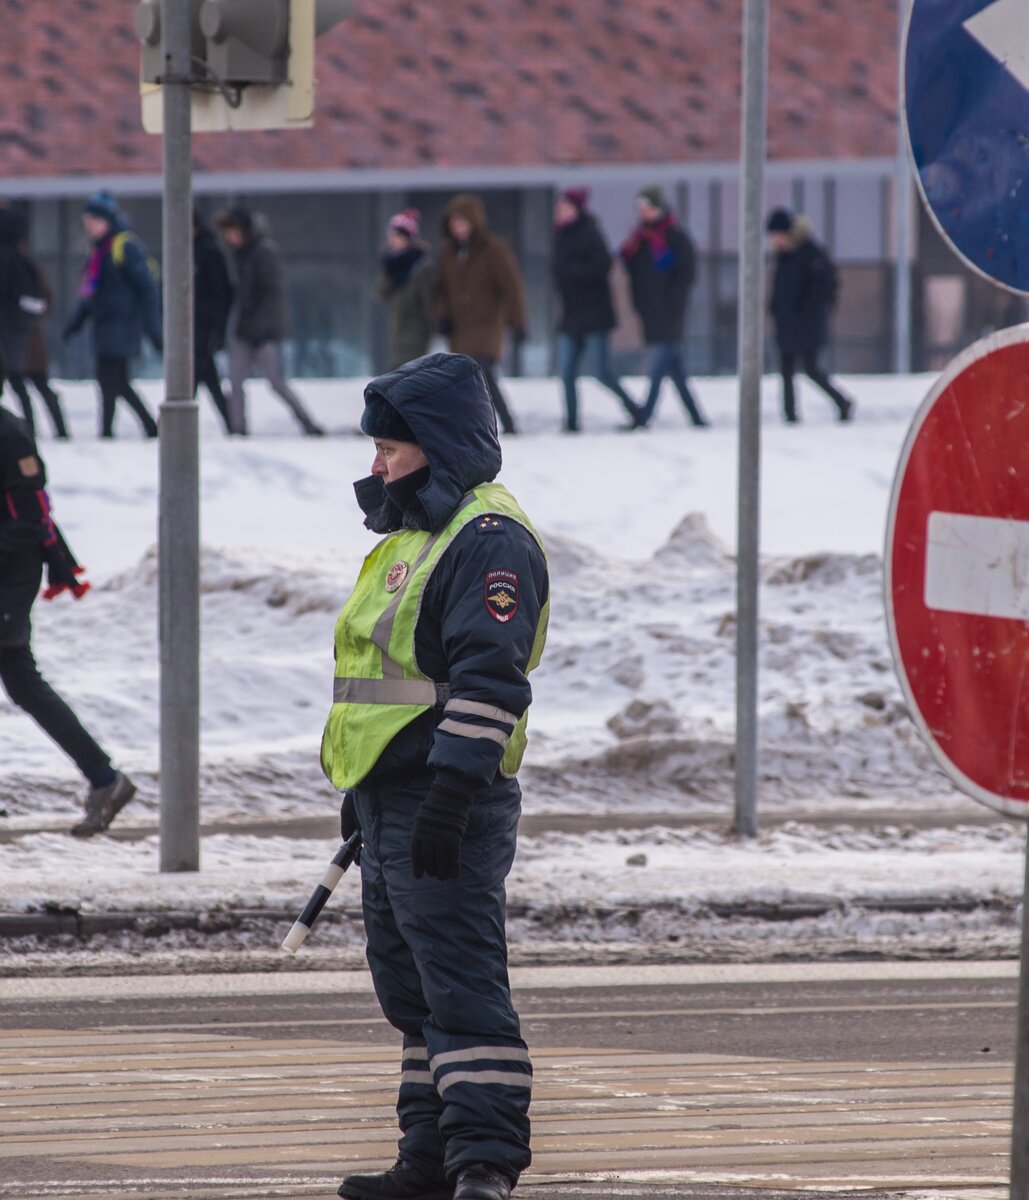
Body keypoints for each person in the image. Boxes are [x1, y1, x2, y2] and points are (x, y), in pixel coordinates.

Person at [325, 352, 549, 1200]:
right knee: (413, 996)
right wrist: (363, 794)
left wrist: (451, 795)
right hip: (393, 801)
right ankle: (426, 1158)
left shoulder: (488, 540)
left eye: (390, 447)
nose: (376, 463)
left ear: (440, 444)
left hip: (446, 800)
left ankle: (483, 1167)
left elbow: (489, 683)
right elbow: (382, 684)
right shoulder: (417, 534)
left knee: (461, 992)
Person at [0, 403, 136, 837]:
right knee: (24, 684)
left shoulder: (8, 433)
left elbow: (29, 519)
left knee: (24, 680)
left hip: (11, 573)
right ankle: (104, 779)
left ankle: (105, 778)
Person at [214, 207, 323, 437]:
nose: (228, 238)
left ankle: (307, 423)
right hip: (244, 330)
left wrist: (262, 329)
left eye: (231, 231)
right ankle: (238, 430)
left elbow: (273, 296)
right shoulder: (241, 254)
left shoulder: (265, 253)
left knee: (276, 382)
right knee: (234, 382)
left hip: (264, 333)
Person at [62, 190, 161, 440]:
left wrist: (154, 329)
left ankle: (113, 431)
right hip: (104, 327)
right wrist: (75, 323)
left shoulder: (125, 247)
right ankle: (140, 428)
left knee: (113, 381)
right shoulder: (98, 252)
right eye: (87, 223)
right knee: (115, 382)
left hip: (122, 327)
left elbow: (148, 290)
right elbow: (90, 293)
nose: (90, 228)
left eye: (93, 222)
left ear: (106, 220)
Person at [433, 195, 527, 436]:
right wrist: (442, 316)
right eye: (453, 222)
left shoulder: (493, 250)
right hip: (460, 328)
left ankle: (505, 422)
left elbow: (511, 287)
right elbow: (440, 289)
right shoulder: (449, 253)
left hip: (486, 325)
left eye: (461, 222)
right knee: (465, 379)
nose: (457, 227)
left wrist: (518, 323)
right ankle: (474, 426)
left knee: (482, 373)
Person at [551, 187, 640, 433]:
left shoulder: (590, 233)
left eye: (565, 207)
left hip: (593, 316)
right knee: (567, 372)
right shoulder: (559, 236)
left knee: (600, 372)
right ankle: (571, 422)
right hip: (570, 316)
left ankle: (635, 410)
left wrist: (573, 272)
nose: (560, 212)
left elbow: (602, 265)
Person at [620, 185, 706, 429]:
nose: (644, 213)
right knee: (674, 367)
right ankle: (697, 417)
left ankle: (644, 415)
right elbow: (634, 272)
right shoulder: (639, 240)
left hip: (670, 312)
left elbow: (687, 274)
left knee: (659, 363)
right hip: (650, 311)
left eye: (648, 208)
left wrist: (674, 302)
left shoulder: (674, 237)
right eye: (641, 209)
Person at [766, 208, 855, 424]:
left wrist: (806, 313)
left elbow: (823, 289)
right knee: (786, 370)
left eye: (777, 234)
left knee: (811, 369)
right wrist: (775, 308)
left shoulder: (811, 253)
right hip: (787, 322)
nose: (774, 240)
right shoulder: (784, 256)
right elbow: (781, 288)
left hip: (807, 324)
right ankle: (789, 415)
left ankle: (842, 401)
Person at [0, 207, 63, 438]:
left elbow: (42, 300)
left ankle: (41, 431)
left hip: (24, 339)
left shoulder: (20, 262)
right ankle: (38, 431)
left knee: (33, 385)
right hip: (22, 336)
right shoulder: (23, 261)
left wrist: (18, 320)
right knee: (28, 386)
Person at [376, 209, 436, 369]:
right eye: (392, 236)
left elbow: (428, 302)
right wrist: (388, 266)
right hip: (397, 331)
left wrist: (433, 329)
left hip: (416, 333)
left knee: (404, 374)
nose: (394, 240)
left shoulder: (421, 266)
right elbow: (381, 292)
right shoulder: (391, 264)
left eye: (398, 236)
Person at [193, 209, 235, 434]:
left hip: (204, 328)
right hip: (194, 329)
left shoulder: (208, 252)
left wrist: (217, 330)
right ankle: (231, 423)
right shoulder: (187, 251)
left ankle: (172, 427)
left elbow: (222, 294)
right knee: (207, 379)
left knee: (197, 378)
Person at [21, 255, 70, 440]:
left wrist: (23, 310)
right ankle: (29, 430)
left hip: (28, 339)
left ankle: (50, 430)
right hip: (22, 339)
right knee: (25, 387)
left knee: (38, 384)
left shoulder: (26, 264)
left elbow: (46, 300)